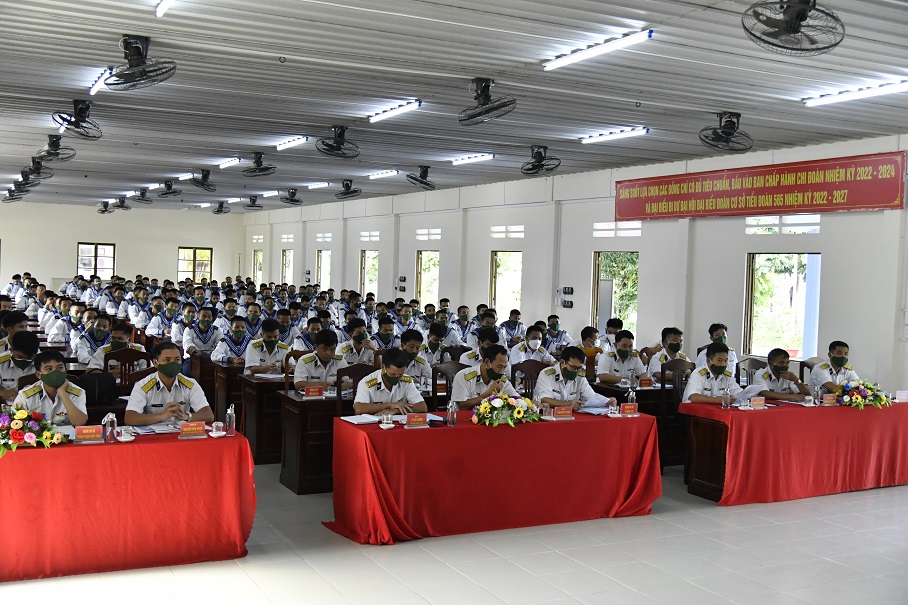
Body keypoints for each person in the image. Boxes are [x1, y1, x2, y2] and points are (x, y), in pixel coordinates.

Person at [124, 342, 214, 426]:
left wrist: (186, 416)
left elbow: (208, 415)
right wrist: (161, 416)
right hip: (154, 435)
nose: (173, 364)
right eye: (167, 360)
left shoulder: (191, 384)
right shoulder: (143, 386)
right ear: (155, 363)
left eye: (177, 360)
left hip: (181, 433)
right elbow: (130, 418)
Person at [14, 350, 88, 426]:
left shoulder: (77, 392)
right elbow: (15, 423)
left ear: (66, 370)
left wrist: (62, 393)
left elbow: (79, 423)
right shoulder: (25, 396)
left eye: (59, 368)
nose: (55, 372)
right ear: (38, 374)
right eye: (49, 369)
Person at [535, 346, 613, 411]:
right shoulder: (547, 374)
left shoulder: (580, 377)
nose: (576, 371)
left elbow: (591, 397)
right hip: (549, 415)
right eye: (573, 367)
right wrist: (569, 404)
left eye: (578, 368)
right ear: (562, 363)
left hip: (571, 415)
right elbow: (544, 399)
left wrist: (607, 401)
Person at [353, 348, 427, 415]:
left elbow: (422, 407)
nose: (396, 377)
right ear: (383, 367)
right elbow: (359, 409)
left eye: (400, 375)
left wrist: (395, 411)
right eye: (393, 374)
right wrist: (389, 405)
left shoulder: (407, 381)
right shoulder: (367, 383)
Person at [451, 344, 519, 410]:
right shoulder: (464, 377)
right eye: (499, 367)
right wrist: (489, 393)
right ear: (486, 362)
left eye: (504, 367)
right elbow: (463, 407)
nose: (501, 372)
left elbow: (517, 399)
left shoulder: (501, 380)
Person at [0, 330, 40, 401]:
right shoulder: (1, 363)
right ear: (11, 350)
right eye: (20, 357)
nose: (24, 360)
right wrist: (2, 393)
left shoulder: (44, 363)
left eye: (29, 358)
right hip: (8, 403)